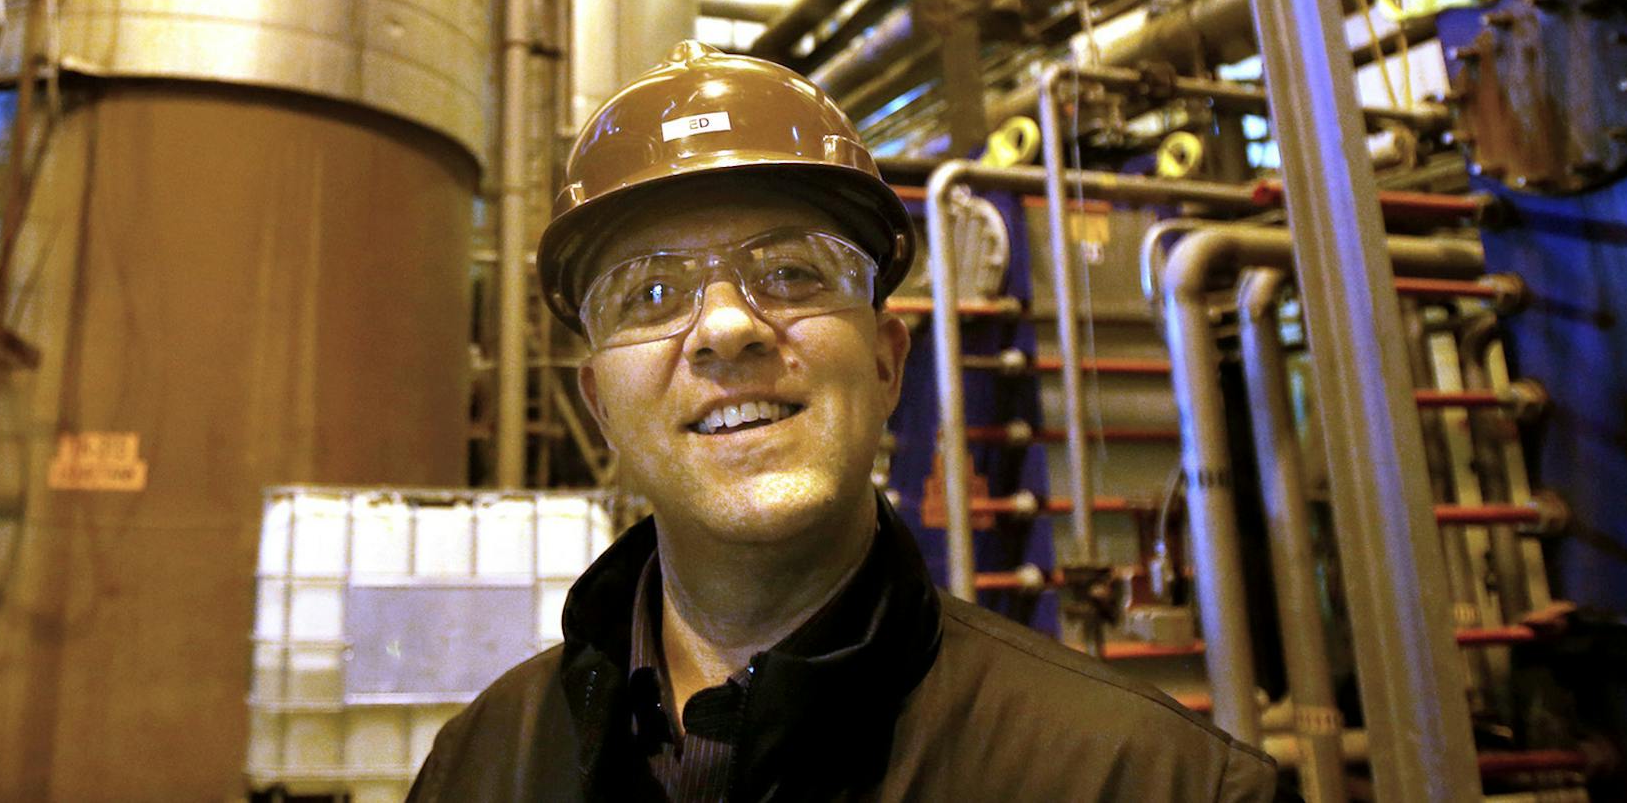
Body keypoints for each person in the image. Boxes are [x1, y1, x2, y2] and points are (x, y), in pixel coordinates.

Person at [411, 42, 1284, 801]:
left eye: (791, 273)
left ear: (885, 361)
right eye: (651, 293)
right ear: (602, 404)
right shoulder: (482, 765)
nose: (726, 328)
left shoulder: (1148, 781)